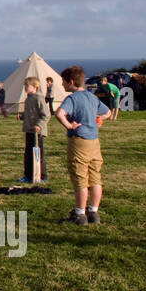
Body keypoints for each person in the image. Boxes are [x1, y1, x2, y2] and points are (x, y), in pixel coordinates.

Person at [54, 66, 112, 225]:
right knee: (95, 177)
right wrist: (98, 120)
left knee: (80, 177)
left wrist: (69, 126)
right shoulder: (92, 97)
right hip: (94, 142)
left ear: (71, 82)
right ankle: (93, 212)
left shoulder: (72, 99)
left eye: (63, 82)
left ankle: (79, 214)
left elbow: (59, 113)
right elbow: (107, 113)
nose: (62, 85)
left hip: (79, 141)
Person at [19, 76, 50, 182]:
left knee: (38, 154)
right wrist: (22, 116)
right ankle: (28, 175)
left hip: (37, 132)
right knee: (28, 154)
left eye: (27, 86)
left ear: (35, 86)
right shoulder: (28, 98)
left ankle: (42, 175)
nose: (25, 88)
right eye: (25, 86)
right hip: (28, 129)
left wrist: (39, 125)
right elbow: (31, 113)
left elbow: (46, 115)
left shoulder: (39, 98)